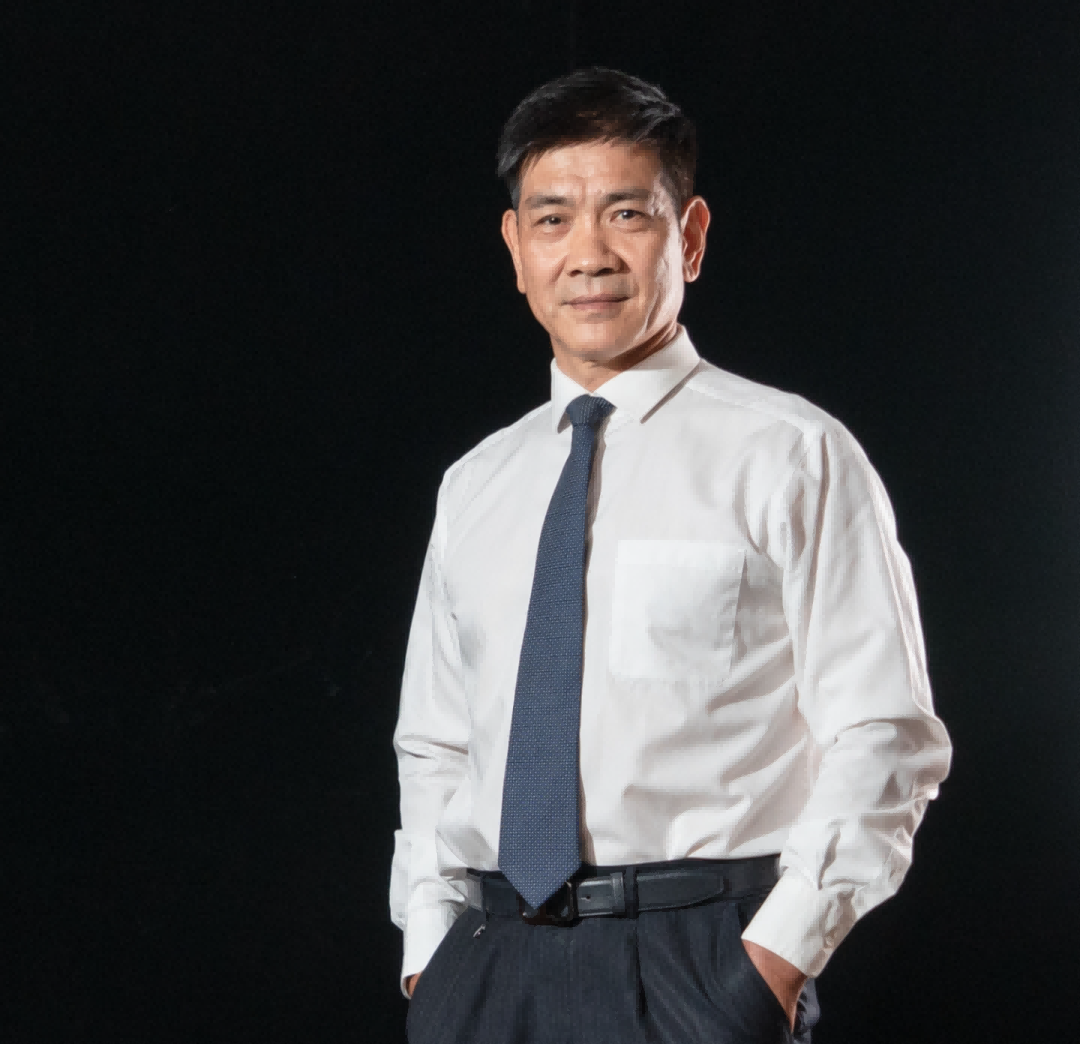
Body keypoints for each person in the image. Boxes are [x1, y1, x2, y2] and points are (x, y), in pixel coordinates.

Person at [389, 66, 952, 1044]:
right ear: (516, 249)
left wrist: (770, 964)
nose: (589, 254)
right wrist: (430, 950)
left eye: (627, 214)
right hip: (485, 967)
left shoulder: (791, 454)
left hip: (693, 966)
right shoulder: (475, 484)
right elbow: (437, 744)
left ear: (688, 236)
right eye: (553, 219)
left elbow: (885, 734)